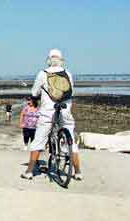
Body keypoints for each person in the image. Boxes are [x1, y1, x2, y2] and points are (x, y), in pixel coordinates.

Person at [20, 49, 83, 180]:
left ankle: (29, 171)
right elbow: (71, 91)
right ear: (61, 60)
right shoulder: (67, 73)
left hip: (48, 112)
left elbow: (35, 92)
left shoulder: (43, 74)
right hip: (65, 111)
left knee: (38, 141)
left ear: (49, 60)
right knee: (70, 140)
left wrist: (35, 97)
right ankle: (77, 172)